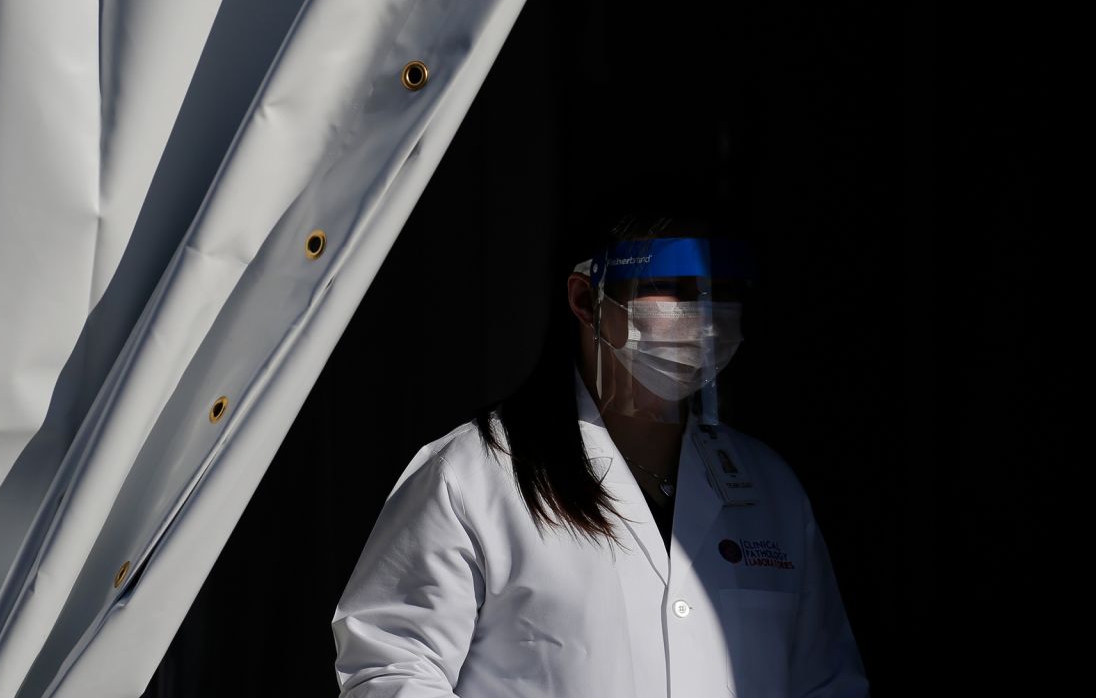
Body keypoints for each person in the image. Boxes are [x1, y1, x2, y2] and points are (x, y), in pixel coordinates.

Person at [330, 213, 870, 697]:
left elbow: (824, 680)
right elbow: (393, 667)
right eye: (670, 288)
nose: (702, 317)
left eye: (719, 291)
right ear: (586, 300)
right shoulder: (474, 474)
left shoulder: (768, 487)